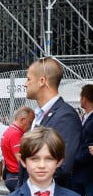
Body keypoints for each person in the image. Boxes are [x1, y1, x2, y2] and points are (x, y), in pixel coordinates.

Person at [21, 57, 82, 188]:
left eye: (28, 79)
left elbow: (62, 165)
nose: (25, 84)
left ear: (42, 81)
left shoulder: (65, 116)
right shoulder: (39, 115)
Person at [0, 106, 34, 192]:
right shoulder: (15, 133)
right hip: (16, 176)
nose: (30, 126)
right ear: (23, 120)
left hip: (11, 175)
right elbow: (21, 159)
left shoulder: (9, 131)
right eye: (30, 122)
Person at [72, 84, 93, 196]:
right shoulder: (85, 117)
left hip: (88, 173)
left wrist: (74, 161)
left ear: (84, 99)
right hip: (80, 172)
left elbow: (89, 146)